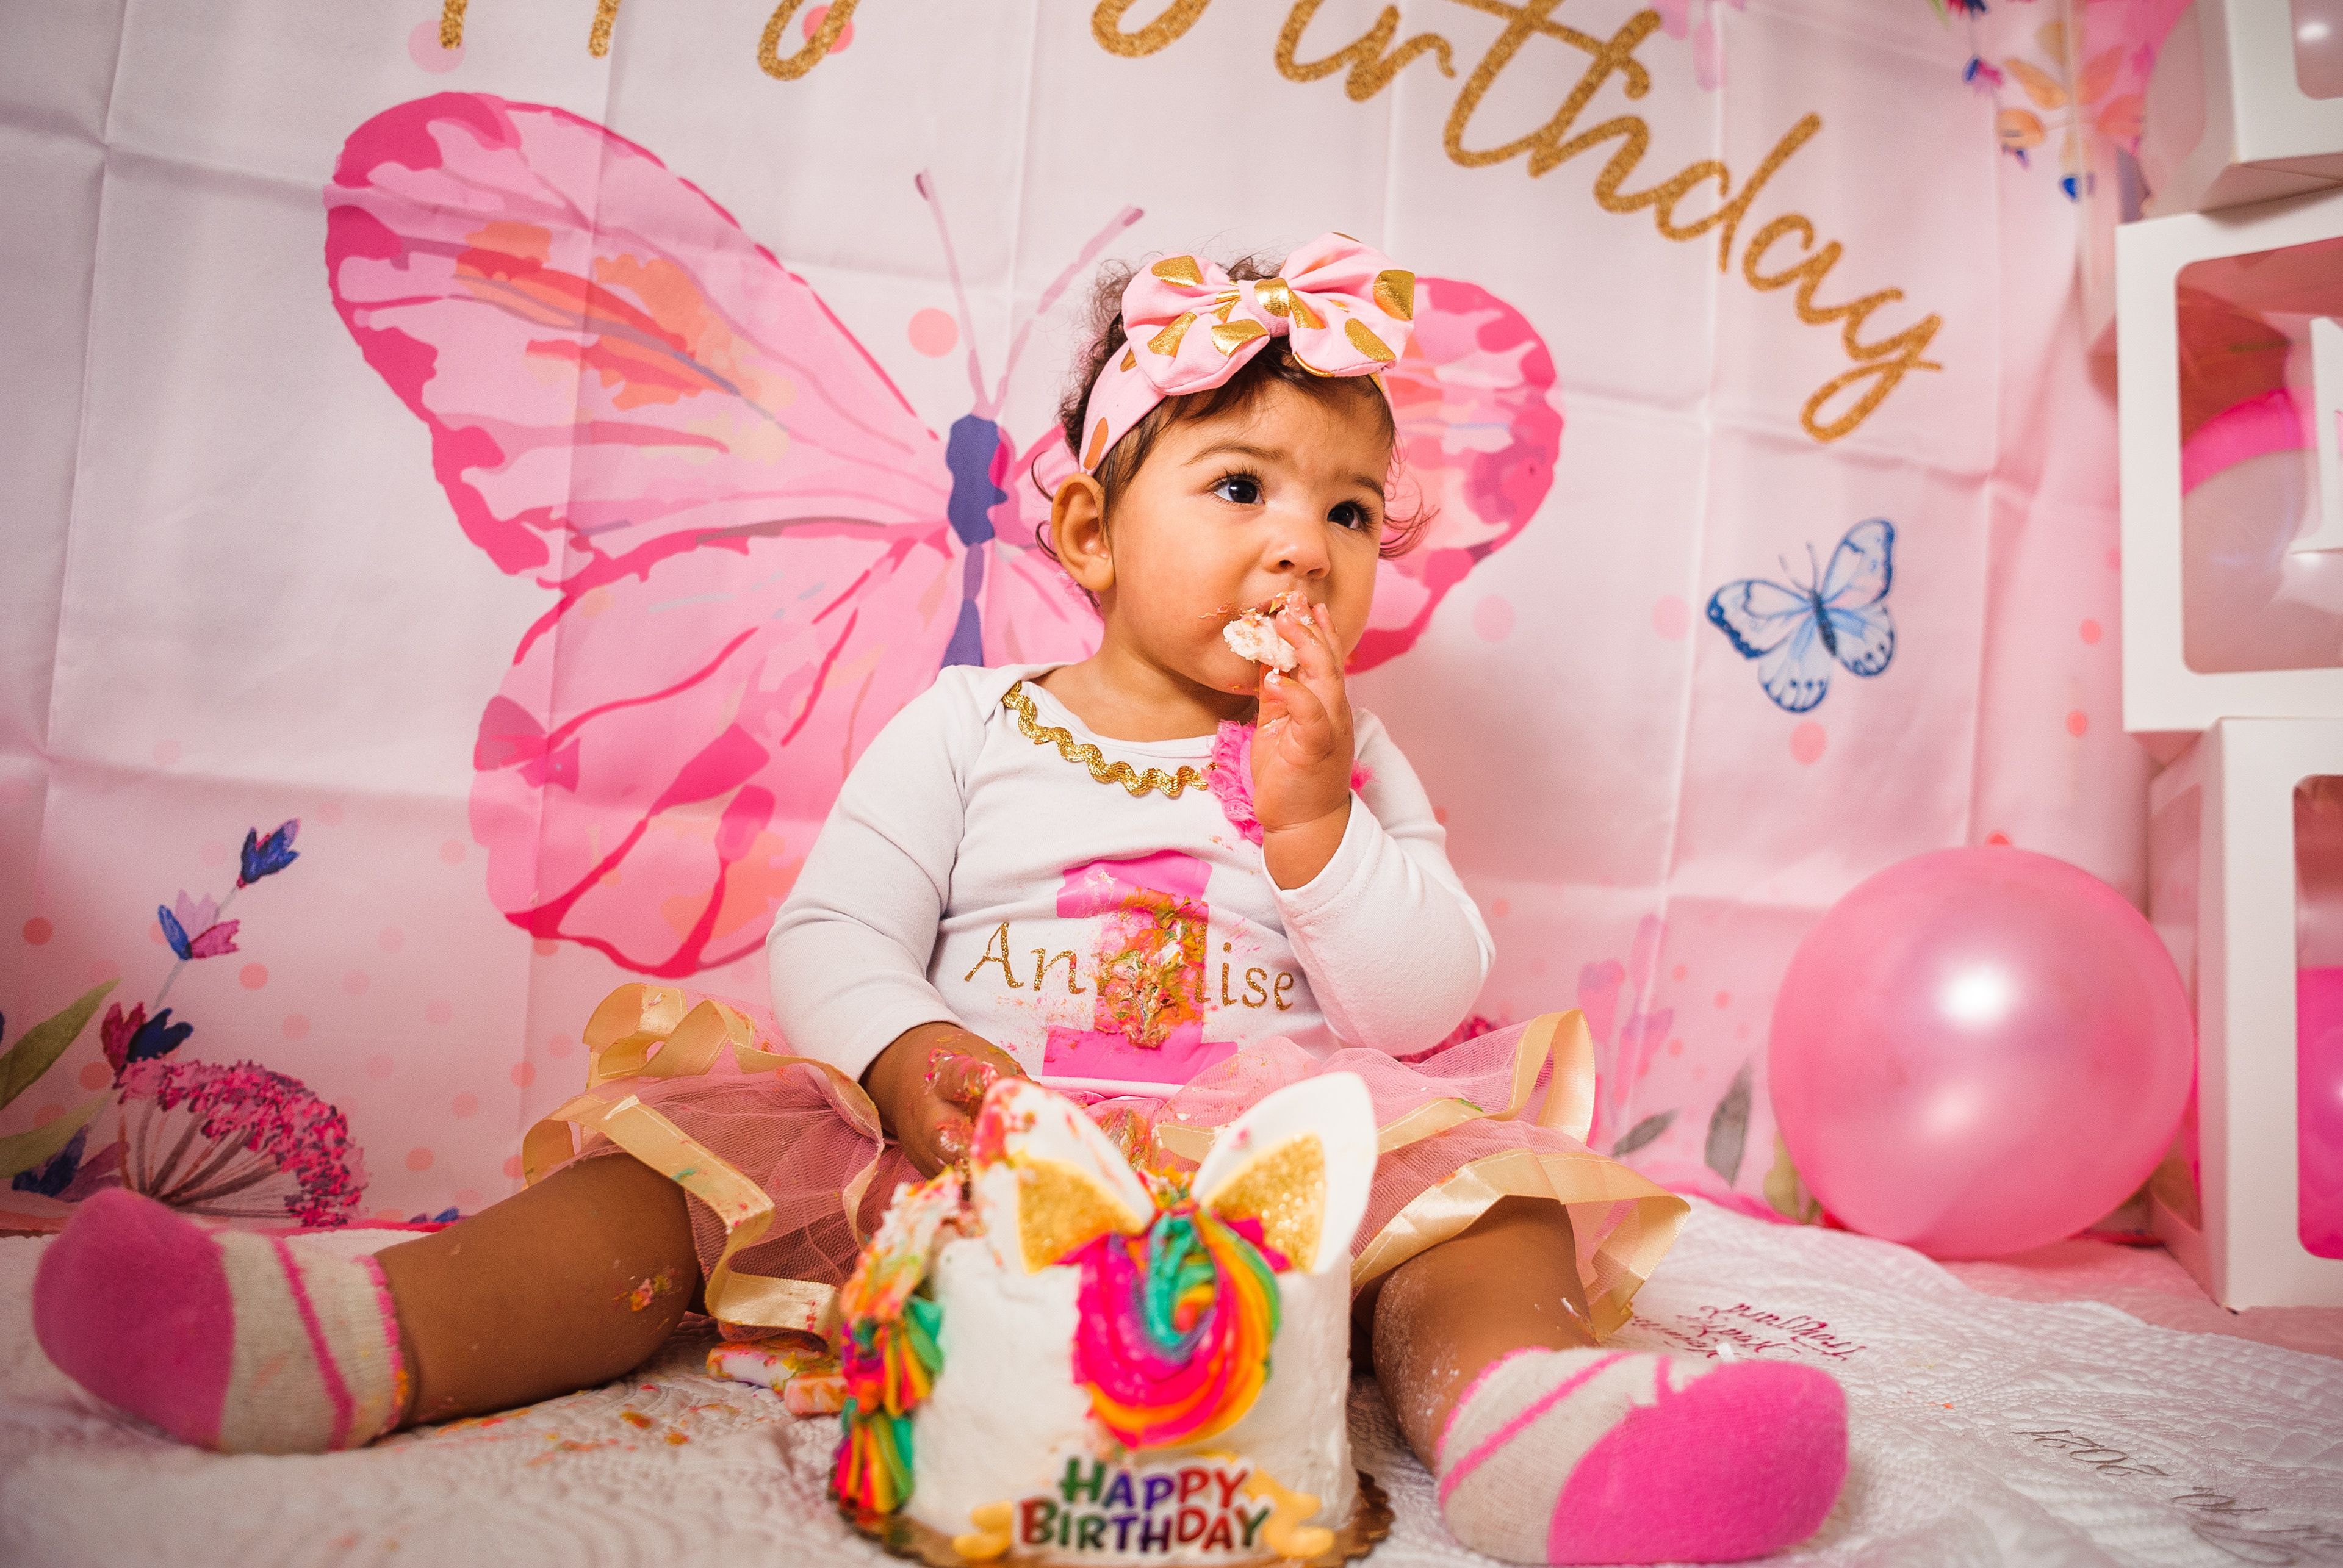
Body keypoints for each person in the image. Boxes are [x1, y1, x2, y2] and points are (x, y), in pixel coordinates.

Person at [32, 236, 1845, 1564]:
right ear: (1091, 534)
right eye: (1242, 486)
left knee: (1487, 1207)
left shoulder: (1348, 758)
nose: (1306, 543)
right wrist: (902, 1057)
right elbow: (832, 933)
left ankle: (1529, 1428)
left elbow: (1423, 997)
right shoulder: (973, 724)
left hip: (1268, 1161)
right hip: (965, 1137)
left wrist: (1317, 830)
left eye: (1355, 512)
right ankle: (368, 1334)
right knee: (661, 1186)